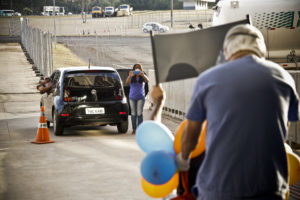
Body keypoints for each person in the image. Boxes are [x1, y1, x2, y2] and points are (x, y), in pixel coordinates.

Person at [152, 24, 300, 200]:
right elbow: (284, 128)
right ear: (261, 49)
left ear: (227, 50)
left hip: (219, 189)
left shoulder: (208, 79)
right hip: (270, 188)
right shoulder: (285, 78)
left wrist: (184, 160)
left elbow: (192, 133)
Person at [126, 64, 149, 134]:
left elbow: (147, 80)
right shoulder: (131, 76)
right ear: (134, 69)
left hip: (140, 97)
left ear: (140, 69)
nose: (137, 69)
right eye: (136, 68)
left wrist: (143, 75)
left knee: (139, 113)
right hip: (132, 97)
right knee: (133, 114)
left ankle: (140, 129)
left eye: (138, 68)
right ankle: (134, 129)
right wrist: (130, 76)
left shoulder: (142, 76)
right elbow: (127, 82)